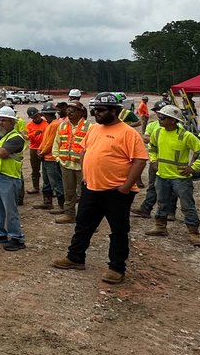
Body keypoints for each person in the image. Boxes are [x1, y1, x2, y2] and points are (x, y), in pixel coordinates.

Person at [52, 92, 148, 284]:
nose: (97, 113)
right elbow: (85, 151)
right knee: (83, 225)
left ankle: (116, 267)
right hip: (92, 188)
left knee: (118, 230)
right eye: (95, 110)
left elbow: (139, 161)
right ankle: (75, 257)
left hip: (116, 192)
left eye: (102, 110)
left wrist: (125, 187)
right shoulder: (94, 129)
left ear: (114, 110)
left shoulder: (128, 133)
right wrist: (86, 177)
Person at [145, 105, 200, 246]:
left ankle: (194, 232)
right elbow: (152, 148)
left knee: (187, 205)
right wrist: (154, 160)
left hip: (180, 178)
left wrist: (193, 168)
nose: (159, 119)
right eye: (159, 116)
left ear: (173, 120)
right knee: (162, 202)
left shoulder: (185, 136)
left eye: (163, 117)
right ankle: (160, 226)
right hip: (162, 175)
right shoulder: (157, 132)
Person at [0, 106, 26, 251]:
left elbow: (1, 153)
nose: (0, 123)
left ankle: (16, 238)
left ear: (13, 122)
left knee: (10, 210)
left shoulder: (16, 138)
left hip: (9, 177)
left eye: (4, 120)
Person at [52, 101, 90, 224]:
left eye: (73, 110)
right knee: (68, 191)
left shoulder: (89, 127)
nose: (69, 112)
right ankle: (69, 214)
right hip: (66, 165)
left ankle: (86, 219)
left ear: (80, 112)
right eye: (68, 109)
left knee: (84, 193)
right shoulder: (62, 126)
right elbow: (57, 143)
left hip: (82, 166)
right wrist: (57, 158)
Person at [36, 102, 64, 211]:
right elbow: (45, 141)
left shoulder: (54, 125)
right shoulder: (51, 125)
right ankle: (47, 202)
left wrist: (41, 152)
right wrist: (40, 151)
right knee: (47, 181)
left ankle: (61, 205)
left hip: (51, 158)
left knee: (56, 182)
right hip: (46, 157)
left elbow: (51, 143)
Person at [24, 106, 47, 196]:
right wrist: (34, 133)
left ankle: (48, 187)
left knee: (47, 170)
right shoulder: (29, 125)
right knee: (35, 169)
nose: (36, 118)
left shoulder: (46, 123)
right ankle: (35, 187)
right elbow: (26, 137)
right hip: (34, 149)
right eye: (34, 117)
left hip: (45, 148)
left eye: (37, 116)